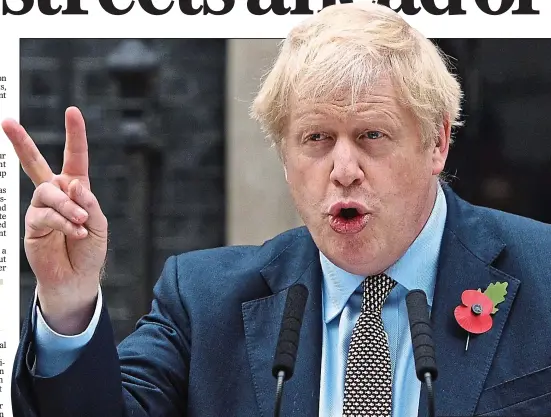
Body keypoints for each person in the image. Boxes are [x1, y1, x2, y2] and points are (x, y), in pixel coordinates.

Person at [5, 3, 551, 417]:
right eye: (315, 137)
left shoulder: (542, 271)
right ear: (284, 158)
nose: (343, 168)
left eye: (372, 135)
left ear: (437, 145)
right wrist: (68, 301)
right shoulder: (202, 301)